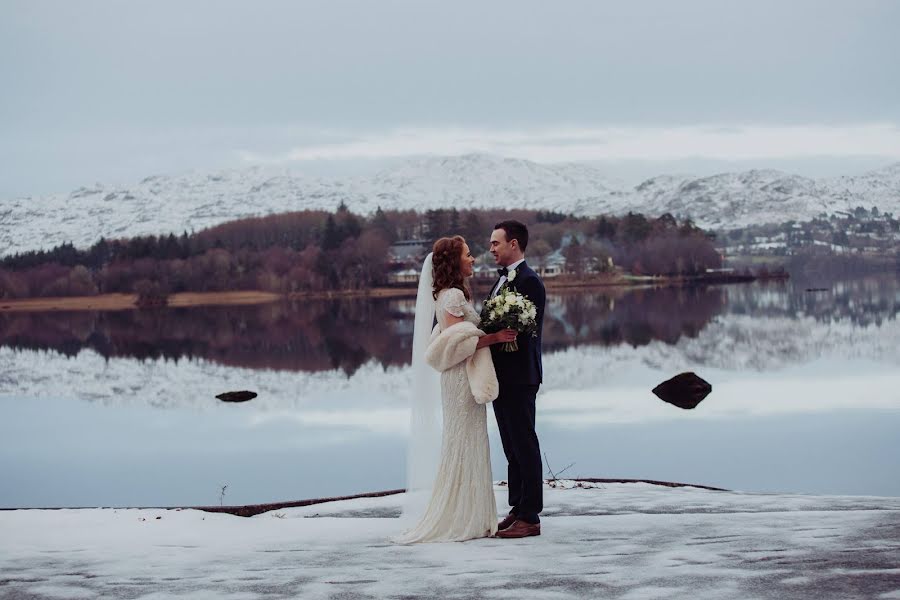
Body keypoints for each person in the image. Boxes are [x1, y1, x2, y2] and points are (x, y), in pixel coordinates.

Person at [395, 235, 517, 544]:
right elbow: (458, 343)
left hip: (461, 377)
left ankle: (471, 513)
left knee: (468, 440)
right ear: (454, 261)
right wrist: (496, 337)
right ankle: (462, 516)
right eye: (468, 254)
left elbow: (455, 334)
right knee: (464, 441)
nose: (474, 258)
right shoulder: (451, 297)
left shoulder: (451, 294)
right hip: (460, 378)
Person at [487, 220, 546, 539]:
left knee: (525, 444)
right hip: (501, 377)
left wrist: (496, 335)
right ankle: (517, 507)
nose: (491, 248)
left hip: (521, 376)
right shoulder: (502, 281)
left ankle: (531, 516)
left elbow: (527, 330)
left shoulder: (531, 281)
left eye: (496, 243)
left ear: (514, 244)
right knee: (511, 445)